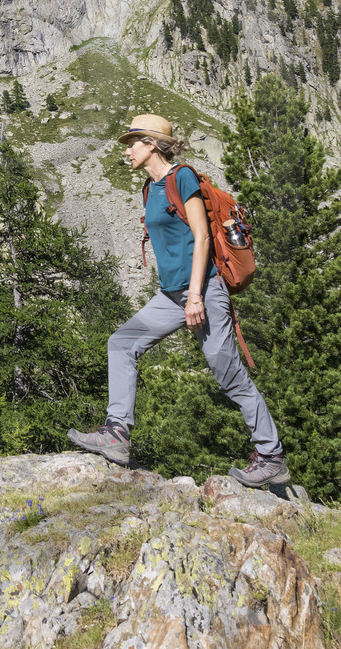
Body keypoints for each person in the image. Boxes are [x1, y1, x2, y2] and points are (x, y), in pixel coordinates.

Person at [68, 114, 289, 488]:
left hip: (204, 290)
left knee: (228, 373)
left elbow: (202, 238)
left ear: (152, 144)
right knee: (121, 343)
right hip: (171, 295)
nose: (127, 150)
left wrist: (196, 297)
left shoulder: (181, 177)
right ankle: (117, 433)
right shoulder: (150, 188)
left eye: (133, 143)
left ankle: (272, 456)